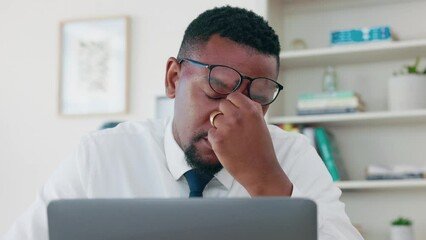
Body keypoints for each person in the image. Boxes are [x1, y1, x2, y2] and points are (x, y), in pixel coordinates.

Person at [2, 5, 363, 240]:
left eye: (259, 97)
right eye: (218, 88)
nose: (234, 113)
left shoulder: (291, 156)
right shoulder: (100, 154)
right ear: (174, 78)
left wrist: (267, 182)